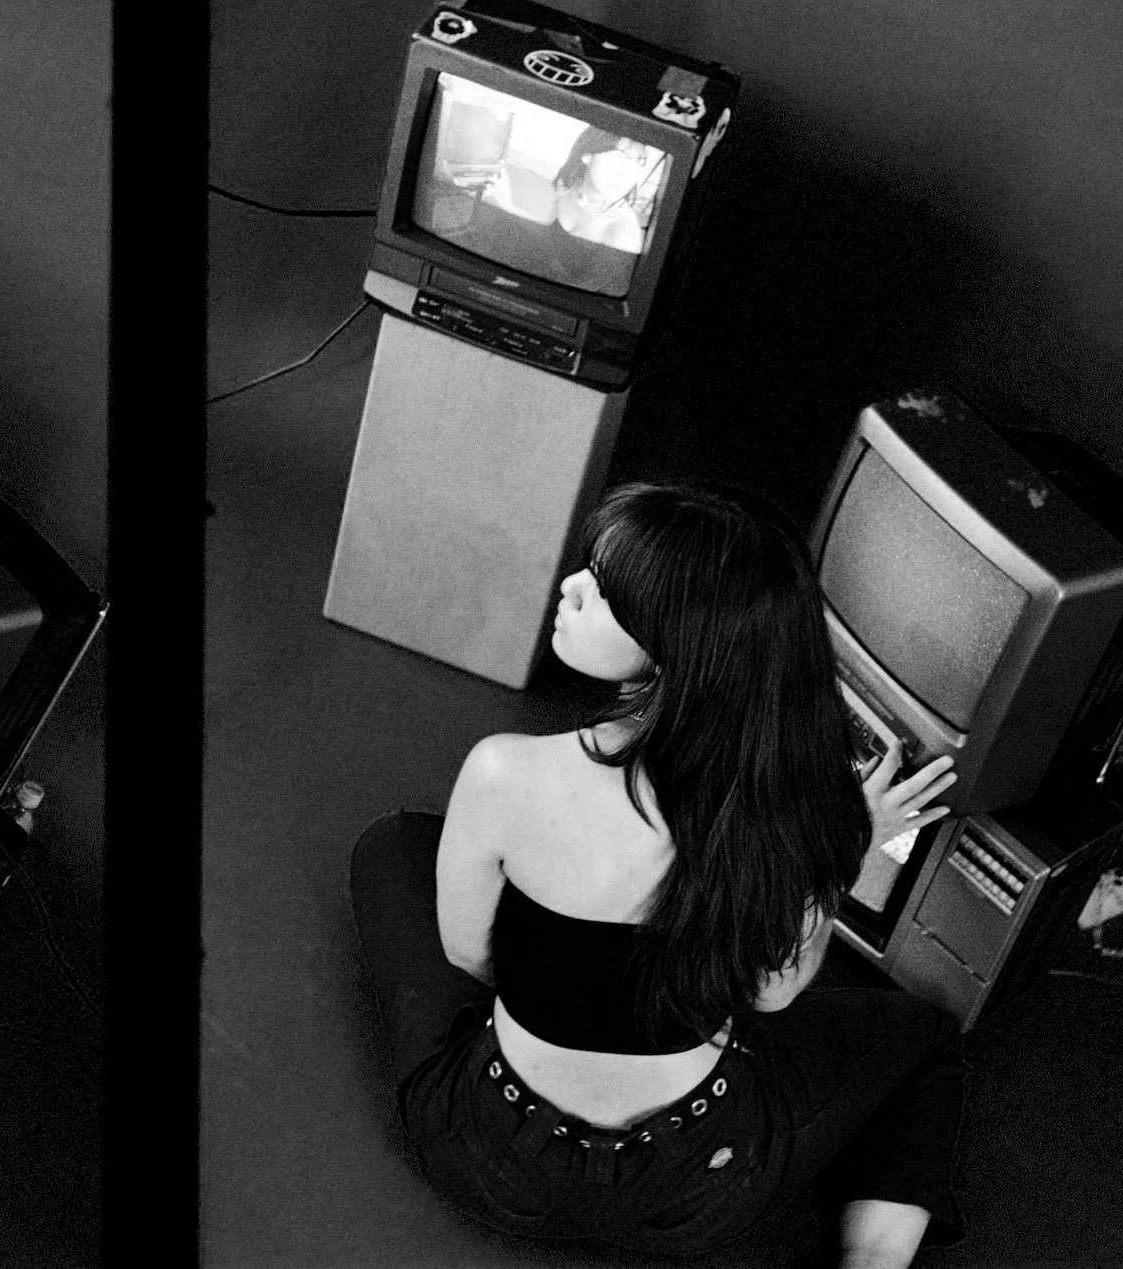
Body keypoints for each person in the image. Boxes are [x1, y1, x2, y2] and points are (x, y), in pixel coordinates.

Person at [350, 482, 968, 1269]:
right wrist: (834, 848)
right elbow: (769, 997)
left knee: (395, 843)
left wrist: (570, 961)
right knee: (921, 1034)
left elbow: (468, 955)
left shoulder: (504, 772)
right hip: (698, 1189)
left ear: (676, 642)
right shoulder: (791, 817)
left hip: (488, 1160)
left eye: (605, 592)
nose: (570, 588)